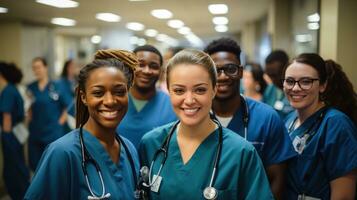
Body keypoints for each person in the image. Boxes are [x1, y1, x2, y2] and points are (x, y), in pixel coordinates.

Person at [138, 49, 273, 199]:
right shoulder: (151, 144)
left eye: (200, 90)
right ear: (168, 90)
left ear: (214, 90)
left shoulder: (241, 153)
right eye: (179, 90)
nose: (189, 100)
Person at [25, 49, 140, 199]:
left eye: (119, 92)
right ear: (84, 97)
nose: (110, 101)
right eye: (98, 93)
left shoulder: (129, 149)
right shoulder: (62, 153)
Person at [204, 37, 296, 200]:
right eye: (216, 70)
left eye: (230, 69)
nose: (223, 76)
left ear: (240, 72)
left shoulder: (267, 118)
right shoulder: (196, 117)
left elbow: (277, 178)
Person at [283, 53, 357, 200]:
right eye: (290, 81)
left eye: (306, 81)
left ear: (323, 85)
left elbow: (344, 196)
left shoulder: (336, 124)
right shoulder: (289, 120)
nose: (295, 88)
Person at [117, 45, 176, 148]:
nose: (147, 71)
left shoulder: (172, 104)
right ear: (129, 67)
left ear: (161, 72)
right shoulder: (115, 101)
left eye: (154, 66)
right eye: (140, 64)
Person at [26, 57, 72, 171]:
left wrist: (60, 123)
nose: (37, 70)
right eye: (34, 68)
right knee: (36, 166)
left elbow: (68, 106)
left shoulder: (57, 86)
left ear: (46, 68)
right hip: (36, 132)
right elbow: (28, 108)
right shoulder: (30, 88)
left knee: (54, 166)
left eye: (39, 67)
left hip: (53, 132)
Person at [0, 62, 30, 200]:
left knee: (12, 171)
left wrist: (6, 137)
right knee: (19, 167)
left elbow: (6, 117)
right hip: (18, 133)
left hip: (10, 135)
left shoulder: (7, 92)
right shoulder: (14, 89)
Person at [263, 50, 293, 118]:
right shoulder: (270, 89)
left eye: (275, 75)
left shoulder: (295, 91)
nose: (273, 80)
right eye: (270, 75)